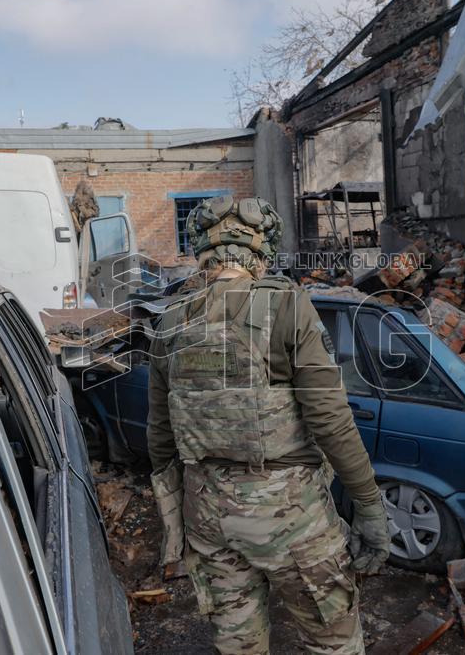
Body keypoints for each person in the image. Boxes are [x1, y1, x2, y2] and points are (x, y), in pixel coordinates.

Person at [147, 196, 389, 655]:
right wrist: (369, 506)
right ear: (261, 254)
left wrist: (175, 520)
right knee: (332, 642)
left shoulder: (170, 320)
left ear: (202, 252)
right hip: (290, 517)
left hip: (207, 516)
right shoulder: (286, 307)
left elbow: (160, 437)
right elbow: (330, 419)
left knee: (238, 643)